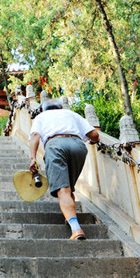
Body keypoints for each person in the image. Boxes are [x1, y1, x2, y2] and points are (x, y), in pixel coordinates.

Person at [29, 99, 100, 239]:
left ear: (44, 109)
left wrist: (33, 158)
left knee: (63, 189)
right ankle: (69, 217)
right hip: (78, 146)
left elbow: (35, 135)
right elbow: (95, 135)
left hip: (55, 145)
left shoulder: (41, 117)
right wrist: (94, 141)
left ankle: (76, 228)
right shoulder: (72, 114)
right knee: (69, 188)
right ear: (61, 107)